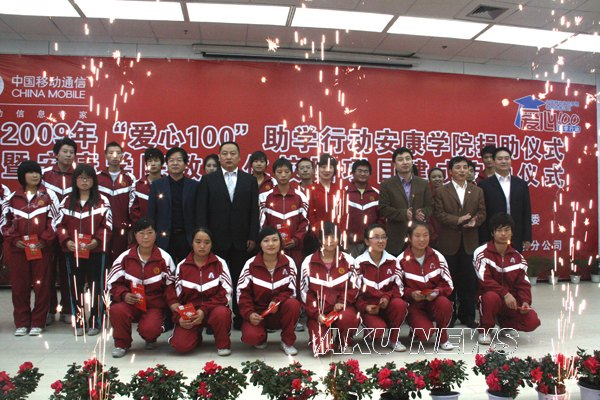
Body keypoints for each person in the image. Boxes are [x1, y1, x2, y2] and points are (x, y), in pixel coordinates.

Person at [196, 141, 259, 329]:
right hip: (215, 240)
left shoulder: (249, 180)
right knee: (214, 282)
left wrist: (253, 236)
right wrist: (204, 239)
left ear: (240, 157)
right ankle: (213, 320)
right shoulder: (208, 180)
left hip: (242, 240)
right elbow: (202, 211)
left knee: (241, 281)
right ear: (219, 157)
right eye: (225, 153)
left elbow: (254, 211)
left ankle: (240, 318)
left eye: (232, 153)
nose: (229, 157)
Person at [0, 161, 59, 336]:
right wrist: (14, 239)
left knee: (42, 286)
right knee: (20, 287)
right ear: (22, 176)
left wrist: (44, 240)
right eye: (31, 172)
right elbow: (4, 223)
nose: (35, 176)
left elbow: (55, 221)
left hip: (41, 249)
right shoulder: (12, 198)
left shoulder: (49, 196)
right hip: (18, 250)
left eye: (37, 172)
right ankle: (22, 322)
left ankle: (38, 322)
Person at [53, 163, 112, 336]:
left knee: (96, 286)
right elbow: (59, 225)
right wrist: (66, 241)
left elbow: (108, 225)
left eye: (88, 178)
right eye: (80, 178)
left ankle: (95, 321)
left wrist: (96, 241)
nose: (84, 181)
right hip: (73, 252)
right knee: (75, 287)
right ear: (75, 180)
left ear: (94, 180)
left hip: (96, 252)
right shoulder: (66, 201)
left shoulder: (102, 201)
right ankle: (79, 322)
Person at [107, 217, 175, 358]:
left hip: (153, 305)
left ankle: (150, 337)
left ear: (156, 234)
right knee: (117, 310)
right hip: (130, 302)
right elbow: (112, 283)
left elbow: (171, 287)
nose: (145, 237)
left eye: (150, 233)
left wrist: (172, 306)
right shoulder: (124, 258)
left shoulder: (165, 258)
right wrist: (124, 295)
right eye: (141, 233)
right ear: (135, 235)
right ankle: (122, 344)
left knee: (150, 329)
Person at [434, 156, 486, 329]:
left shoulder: (477, 190)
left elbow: (482, 212)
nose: (462, 170)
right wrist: (457, 220)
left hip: (470, 242)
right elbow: (439, 214)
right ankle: (449, 315)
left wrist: (475, 221)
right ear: (450, 171)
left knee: (468, 281)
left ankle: (468, 316)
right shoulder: (442, 191)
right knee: (449, 282)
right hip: (448, 242)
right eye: (458, 167)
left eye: (465, 167)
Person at [474, 213, 541, 344]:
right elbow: (485, 280)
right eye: (499, 230)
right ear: (492, 233)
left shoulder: (518, 257)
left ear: (512, 232)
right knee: (491, 297)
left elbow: (523, 284)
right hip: (490, 298)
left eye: (507, 230)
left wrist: (525, 301)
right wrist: (505, 294)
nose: (503, 234)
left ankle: (505, 324)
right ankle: (485, 330)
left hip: (510, 302)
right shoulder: (481, 252)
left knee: (532, 321)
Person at [166, 228, 233, 356]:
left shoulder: (220, 263)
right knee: (180, 346)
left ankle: (223, 343)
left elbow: (226, 293)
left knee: (221, 313)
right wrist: (179, 317)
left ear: (212, 244)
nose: (202, 246)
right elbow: (175, 297)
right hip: (191, 313)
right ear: (192, 243)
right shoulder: (182, 266)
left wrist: (203, 310)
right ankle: (195, 335)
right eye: (198, 242)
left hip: (213, 309)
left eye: (207, 242)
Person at [237, 226, 301, 355]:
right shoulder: (250, 264)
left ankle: (287, 342)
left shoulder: (289, 262)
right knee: (251, 337)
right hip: (258, 314)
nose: (271, 244)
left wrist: (277, 301)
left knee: (293, 304)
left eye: (274, 240)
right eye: (266, 240)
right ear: (260, 244)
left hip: (280, 311)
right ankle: (260, 337)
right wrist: (249, 313)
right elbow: (243, 294)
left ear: (280, 243)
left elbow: (292, 291)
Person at [300, 222, 360, 356]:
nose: (330, 241)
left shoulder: (349, 261)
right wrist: (317, 314)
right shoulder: (308, 262)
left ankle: (343, 341)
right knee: (322, 350)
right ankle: (318, 339)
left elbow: (355, 287)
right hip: (319, 313)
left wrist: (342, 302)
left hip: (341, 309)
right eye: (326, 237)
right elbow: (305, 293)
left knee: (349, 318)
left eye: (334, 237)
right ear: (320, 240)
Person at [398, 222, 455, 350]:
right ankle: (416, 329)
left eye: (425, 235)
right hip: (414, 305)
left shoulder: (438, 256)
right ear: (409, 237)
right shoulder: (401, 260)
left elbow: (448, 284)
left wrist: (436, 292)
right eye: (417, 236)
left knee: (444, 303)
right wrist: (411, 294)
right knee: (425, 334)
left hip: (434, 301)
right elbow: (397, 288)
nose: (422, 239)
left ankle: (443, 337)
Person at [354, 224, 409, 352]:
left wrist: (386, 297)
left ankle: (393, 339)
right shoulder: (359, 262)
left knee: (400, 304)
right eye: (376, 237)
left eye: (383, 237)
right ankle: (370, 332)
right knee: (377, 331)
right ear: (367, 241)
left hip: (387, 304)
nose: (381, 241)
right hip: (369, 308)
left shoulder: (393, 261)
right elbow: (354, 291)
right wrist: (365, 307)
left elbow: (399, 288)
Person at [43, 137, 77, 325]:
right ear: (56, 154)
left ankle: (68, 309)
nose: (68, 155)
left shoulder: (79, 175)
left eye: (71, 152)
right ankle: (48, 310)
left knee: (69, 271)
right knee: (47, 272)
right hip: (47, 230)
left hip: (70, 230)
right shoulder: (44, 175)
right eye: (65, 151)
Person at [379, 147, 433, 256]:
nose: (405, 162)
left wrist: (422, 213)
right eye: (400, 159)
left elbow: (430, 206)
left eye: (408, 159)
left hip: (418, 235)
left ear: (412, 162)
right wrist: (403, 213)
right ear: (394, 164)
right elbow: (383, 208)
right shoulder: (386, 185)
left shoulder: (423, 183)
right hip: (396, 235)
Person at [148, 147, 198, 264]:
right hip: (164, 238)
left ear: (185, 164)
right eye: (171, 160)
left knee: (187, 270)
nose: (175, 163)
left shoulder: (194, 186)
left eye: (179, 160)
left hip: (187, 238)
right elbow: (151, 213)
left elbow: (198, 213)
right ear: (166, 164)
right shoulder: (157, 185)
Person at [479, 147, 532, 252]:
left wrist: (527, 237)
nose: (504, 161)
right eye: (500, 159)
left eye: (507, 158)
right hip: (493, 234)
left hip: (516, 234)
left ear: (511, 161)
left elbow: (526, 211)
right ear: (494, 161)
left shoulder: (521, 184)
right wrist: (484, 238)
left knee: (514, 261)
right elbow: (483, 213)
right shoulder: (484, 185)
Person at [259, 157, 308, 268]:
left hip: (295, 249)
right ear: (274, 174)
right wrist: (272, 241)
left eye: (286, 172)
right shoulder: (264, 198)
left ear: (292, 174)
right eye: (279, 172)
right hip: (272, 249)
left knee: (294, 274)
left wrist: (296, 240)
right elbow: (262, 224)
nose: (283, 175)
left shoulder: (301, 197)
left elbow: (305, 223)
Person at [97, 141, 135, 263]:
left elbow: (133, 206)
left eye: (118, 153)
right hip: (100, 229)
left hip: (122, 230)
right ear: (105, 155)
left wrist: (131, 228)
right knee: (101, 263)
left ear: (122, 156)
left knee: (119, 262)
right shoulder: (97, 177)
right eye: (111, 153)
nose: (115, 156)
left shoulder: (129, 178)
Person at [344, 159, 383, 257]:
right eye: (359, 171)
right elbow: (339, 217)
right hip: (349, 243)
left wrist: (374, 236)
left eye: (366, 171)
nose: (362, 174)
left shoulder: (376, 194)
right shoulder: (343, 193)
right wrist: (346, 235)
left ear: (370, 174)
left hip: (371, 242)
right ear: (353, 173)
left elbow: (381, 218)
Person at [129, 147, 164, 225]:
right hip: (143, 229)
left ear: (162, 163)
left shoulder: (168, 184)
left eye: (156, 160)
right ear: (146, 164)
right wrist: (142, 227)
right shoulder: (137, 185)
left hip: (164, 229)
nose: (153, 164)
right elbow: (133, 211)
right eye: (150, 161)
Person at [427, 167, 444, 248]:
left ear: (443, 178)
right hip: (431, 234)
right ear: (429, 179)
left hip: (448, 234)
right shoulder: (426, 194)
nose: (437, 179)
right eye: (433, 177)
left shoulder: (450, 193)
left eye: (440, 176)